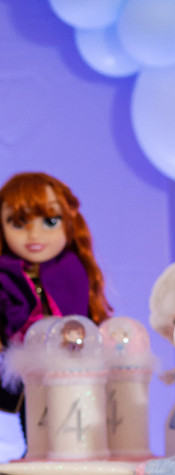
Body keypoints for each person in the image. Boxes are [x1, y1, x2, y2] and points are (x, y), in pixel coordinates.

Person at [0, 171, 109, 419]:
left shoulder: (73, 271)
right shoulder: (5, 275)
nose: (34, 235)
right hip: (25, 373)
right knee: (34, 420)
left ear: (69, 221)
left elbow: (86, 318)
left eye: (50, 221)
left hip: (76, 367)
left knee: (78, 420)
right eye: (18, 223)